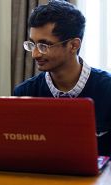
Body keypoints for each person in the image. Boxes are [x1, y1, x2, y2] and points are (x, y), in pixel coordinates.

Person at [13, 0, 111, 156]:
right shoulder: (24, 93)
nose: (35, 54)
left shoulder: (108, 90)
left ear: (73, 45)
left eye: (44, 46)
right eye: (32, 44)